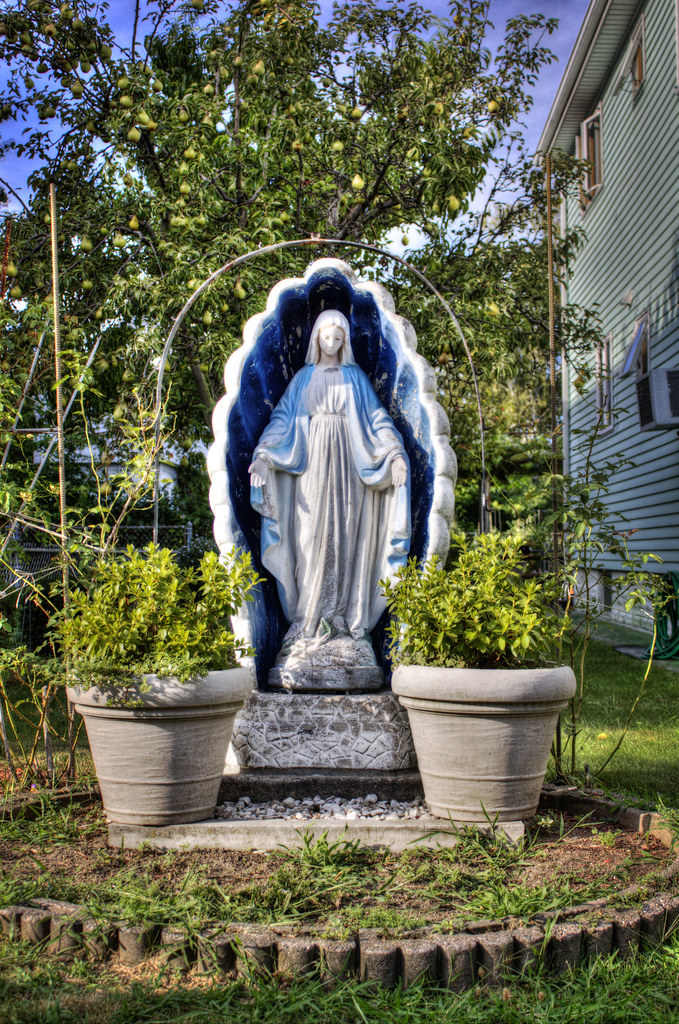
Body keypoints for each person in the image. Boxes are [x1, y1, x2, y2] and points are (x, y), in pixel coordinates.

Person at [249, 309, 410, 681]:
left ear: (346, 341)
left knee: (344, 544)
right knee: (308, 542)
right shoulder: (304, 379)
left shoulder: (356, 379)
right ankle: (307, 623)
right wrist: (261, 458)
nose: (333, 343)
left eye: (340, 338)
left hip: (350, 472)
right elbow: (281, 421)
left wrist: (395, 455)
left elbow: (378, 421)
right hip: (309, 474)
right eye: (327, 337)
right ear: (316, 338)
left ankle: (342, 622)